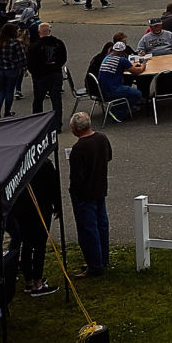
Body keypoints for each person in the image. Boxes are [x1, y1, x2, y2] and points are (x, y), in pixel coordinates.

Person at [68, 111, 113, 277]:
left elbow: (76, 177)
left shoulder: (78, 149)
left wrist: (74, 193)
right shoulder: (102, 138)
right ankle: (102, 258)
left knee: (88, 230)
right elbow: (108, 157)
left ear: (75, 129)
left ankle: (94, 264)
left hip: (84, 194)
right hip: (100, 188)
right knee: (102, 225)